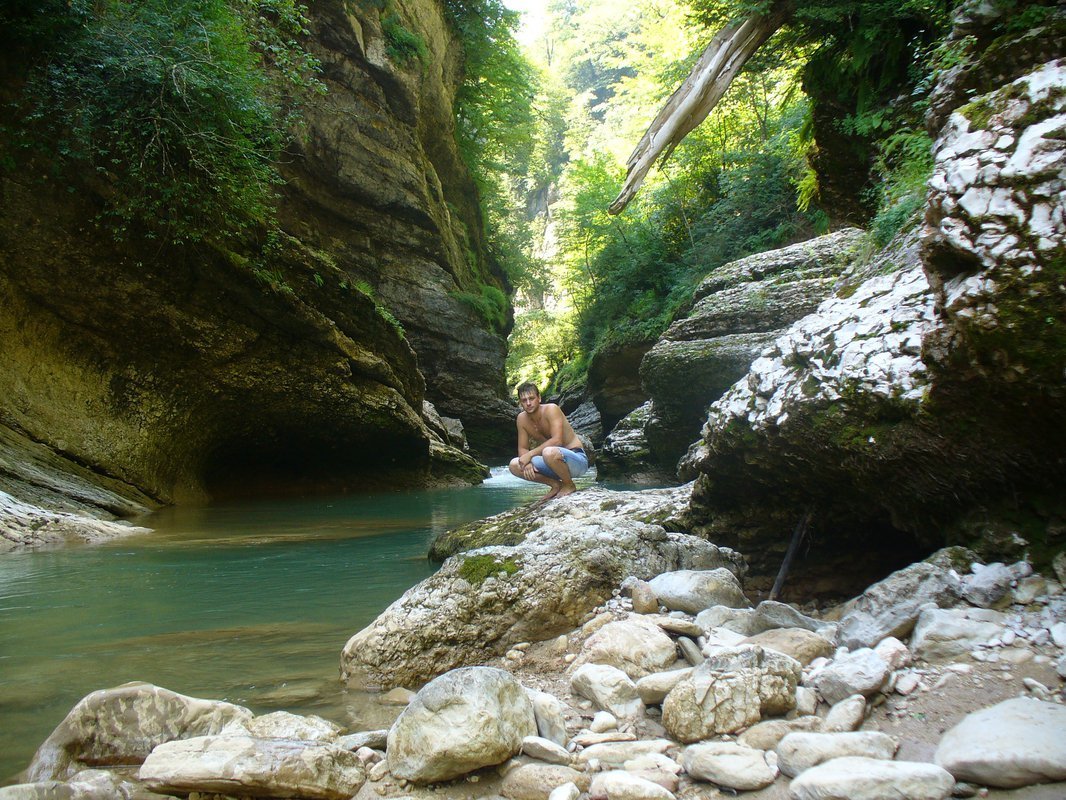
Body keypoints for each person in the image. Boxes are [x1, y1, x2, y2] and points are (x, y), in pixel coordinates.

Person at [508, 381, 589, 504]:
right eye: (524, 400)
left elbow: (557, 440)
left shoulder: (551, 409)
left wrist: (529, 455)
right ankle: (556, 485)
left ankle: (569, 484)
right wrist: (527, 463)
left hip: (576, 460)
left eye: (531, 398)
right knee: (514, 465)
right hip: (552, 463)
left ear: (539, 398)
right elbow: (522, 449)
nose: (528, 403)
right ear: (520, 403)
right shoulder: (521, 419)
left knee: (548, 452)